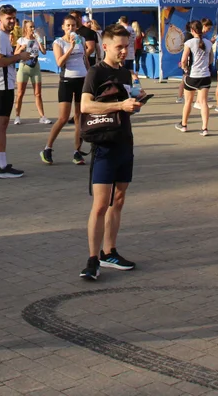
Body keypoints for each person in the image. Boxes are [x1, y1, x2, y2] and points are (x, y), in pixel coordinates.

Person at [79, 23, 145, 281]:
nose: (124, 51)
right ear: (105, 46)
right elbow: (85, 106)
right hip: (103, 144)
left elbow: (127, 107)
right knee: (99, 204)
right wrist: (120, 104)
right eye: (119, 47)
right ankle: (92, 259)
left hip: (124, 142)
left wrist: (135, 105)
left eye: (127, 46)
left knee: (118, 200)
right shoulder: (95, 73)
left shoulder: (128, 74)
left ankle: (110, 252)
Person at [41, 15, 90, 166]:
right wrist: (71, 48)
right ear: (63, 27)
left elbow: (85, 59)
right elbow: (59, 62)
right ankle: (48, 148)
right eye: (68, 26)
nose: (71, 29)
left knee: (79, 118)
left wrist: (91, 76)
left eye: (73, 26)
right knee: (63, 118)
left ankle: (77, 152)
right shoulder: (58, 42)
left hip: (82, 79)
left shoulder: (81, 40)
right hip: (67, 81)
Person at [0, 5, 26, 178]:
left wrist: (16, 53)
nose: (11, 21)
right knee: (1, 125)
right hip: (2, 85)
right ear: (0, 19)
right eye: (8, 18)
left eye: (13, 18)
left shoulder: (2, 36)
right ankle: (1, 166)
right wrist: (19, 57)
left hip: (1, 84)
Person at [176, 20, 212, 136]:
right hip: (205, 75)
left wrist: (185, 69)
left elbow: (183, 60)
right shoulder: (208, 43)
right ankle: (205, 128)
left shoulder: (189, 43)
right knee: (204, 102)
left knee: (188, 101)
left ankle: (184, 124)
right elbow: (211, 60)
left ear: (192, 30)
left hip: (193, 75)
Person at [14, 20, 49, 125]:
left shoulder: (37, 39)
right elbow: (15, 54)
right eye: (30, 27)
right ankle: (17, 116)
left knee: (38, 93)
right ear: (26, 28)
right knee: (20, 93)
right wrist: (21, 48)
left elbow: (44, 52)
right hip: (24, 66)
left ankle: (42, 116)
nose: (33, 29)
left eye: (34, 27)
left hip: (35, 66)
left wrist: (40, 41)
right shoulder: (21, 40)